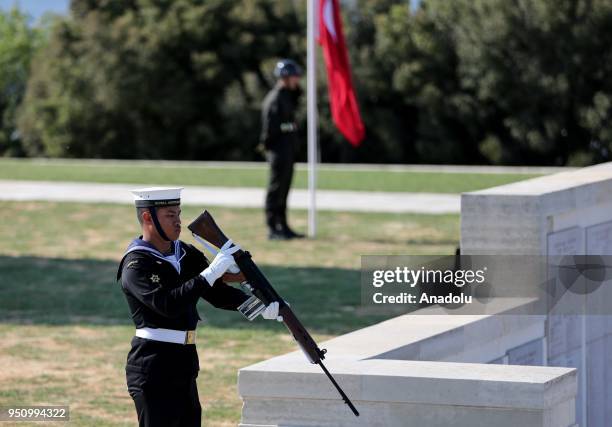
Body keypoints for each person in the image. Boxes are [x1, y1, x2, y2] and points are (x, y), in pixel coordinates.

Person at [117, 187, 282, 427]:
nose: (178, 222)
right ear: (147, 218)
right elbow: (168, 304)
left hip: (184, 361)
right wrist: (210, 273)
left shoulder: (183, 252)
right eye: (170, 215)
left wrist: (261, 306)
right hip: (153, 364)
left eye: (179, 214)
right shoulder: (136, 264)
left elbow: (217, 294)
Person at [260, 59, 305, 240]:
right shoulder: (276, 99)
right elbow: (271, 130)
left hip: (288, 151)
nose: (297, 80)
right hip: (279, 152)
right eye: (294, 77)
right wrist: (290, 128)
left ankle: (284, 226)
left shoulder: (287, 96)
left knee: (284, 190)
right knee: (276, 190)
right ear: (285, 78)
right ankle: (272, 228)